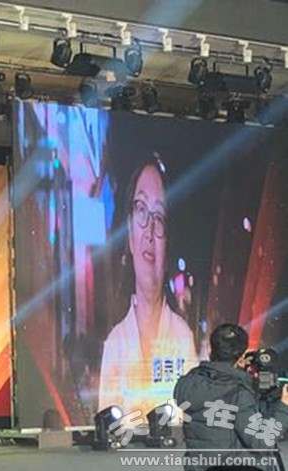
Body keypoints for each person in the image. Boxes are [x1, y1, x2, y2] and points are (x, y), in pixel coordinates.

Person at [98, 154, 198, 418]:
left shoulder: (183, 337)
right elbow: (106, 423)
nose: (150, 232)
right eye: (141, 209)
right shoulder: (115, 343)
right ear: (129, 232)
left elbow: (192, 412)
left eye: (159, 216)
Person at [174, 323, 288, 471]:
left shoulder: (190, 382)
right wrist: (284, 407)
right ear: (241, 355)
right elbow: (261, 442)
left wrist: (237, 372)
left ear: (211, 349)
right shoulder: (239, 392)